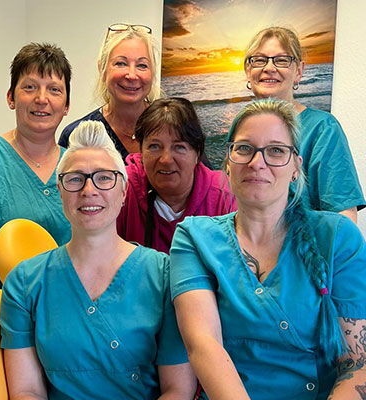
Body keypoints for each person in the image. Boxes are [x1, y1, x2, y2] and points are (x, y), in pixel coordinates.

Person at [170, 98, 366, 400]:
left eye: (276, 150)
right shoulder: (195, 238)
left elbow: (357, 363)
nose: (257, 162)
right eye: (244, 148)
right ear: (227, 164)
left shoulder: (337, 237)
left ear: (296, 167)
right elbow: (204, 345)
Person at [0, 120, 197, 400]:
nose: (89, 190)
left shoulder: (164, 276)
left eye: (104, 178)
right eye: (75, 179)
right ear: (60, 191)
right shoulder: (25, 283)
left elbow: (178, 389)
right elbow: (26, 391)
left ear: (124, 191)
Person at [0, 42, 72, 392]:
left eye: (54, 89)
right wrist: (16, 329)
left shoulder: (79, 168)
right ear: (11, 97)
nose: (42, 99)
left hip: (62, 348)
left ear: (67, 105)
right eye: (30, 87)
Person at [229, 26, 365, 222]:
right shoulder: (240, 127)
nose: (269, 68)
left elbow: (343, 217)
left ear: (299, 71)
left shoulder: (323, 129)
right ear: (248, 71)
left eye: (281, 60)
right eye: (259, 60)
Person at [117, 97, 237, 254]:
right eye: (154, 146)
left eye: (179, 147)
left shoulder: (224, 197)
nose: (166, 159)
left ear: (197, 154)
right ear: (141, 152)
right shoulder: (120, 190)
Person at [58, 23, 160, 161]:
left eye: (142, 65)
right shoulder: (77, 135)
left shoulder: (173, 129)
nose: (131, 75)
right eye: (121, 63)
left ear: (153, 73)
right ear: (102, 69)